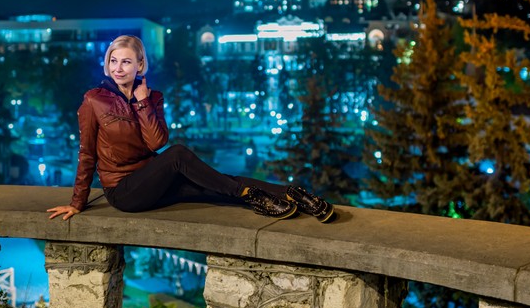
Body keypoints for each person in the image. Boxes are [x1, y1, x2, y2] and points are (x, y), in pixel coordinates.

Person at [47, 35, 335, 223]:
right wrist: (77, 203)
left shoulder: (153, 97)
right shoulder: (94, 100)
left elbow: (155, 142)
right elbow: (87, 153)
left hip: (154, 179)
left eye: (126, 61)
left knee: (216, 183)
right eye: (113, 61)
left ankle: (294, 194)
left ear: (140, 65)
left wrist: (143, 102)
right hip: (124, 191)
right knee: (179, 154)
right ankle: (249, 195)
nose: (118, 68)